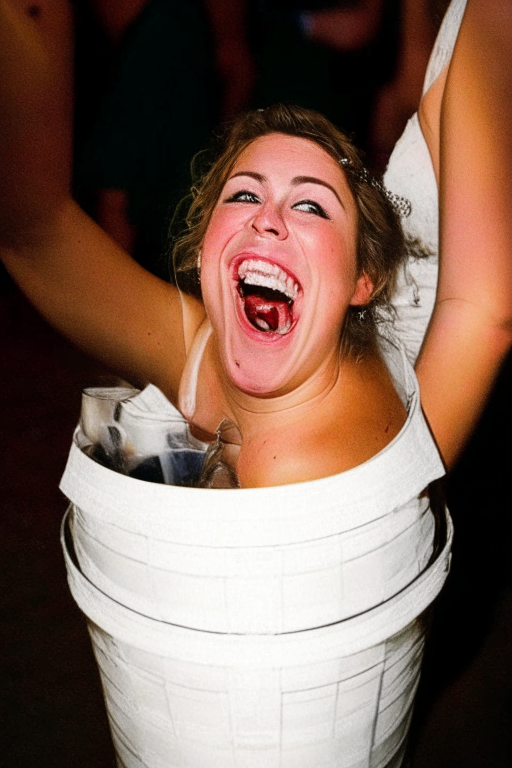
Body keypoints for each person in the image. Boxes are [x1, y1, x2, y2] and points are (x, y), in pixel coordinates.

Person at [1, 0, 511, 491]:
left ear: (363, 280)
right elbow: (37, 232)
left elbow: (481, 312)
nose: (267, 218)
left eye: (310, 205)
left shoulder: (365, 451)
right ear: (204, 253)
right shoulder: (201, 352)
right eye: (245, 194)